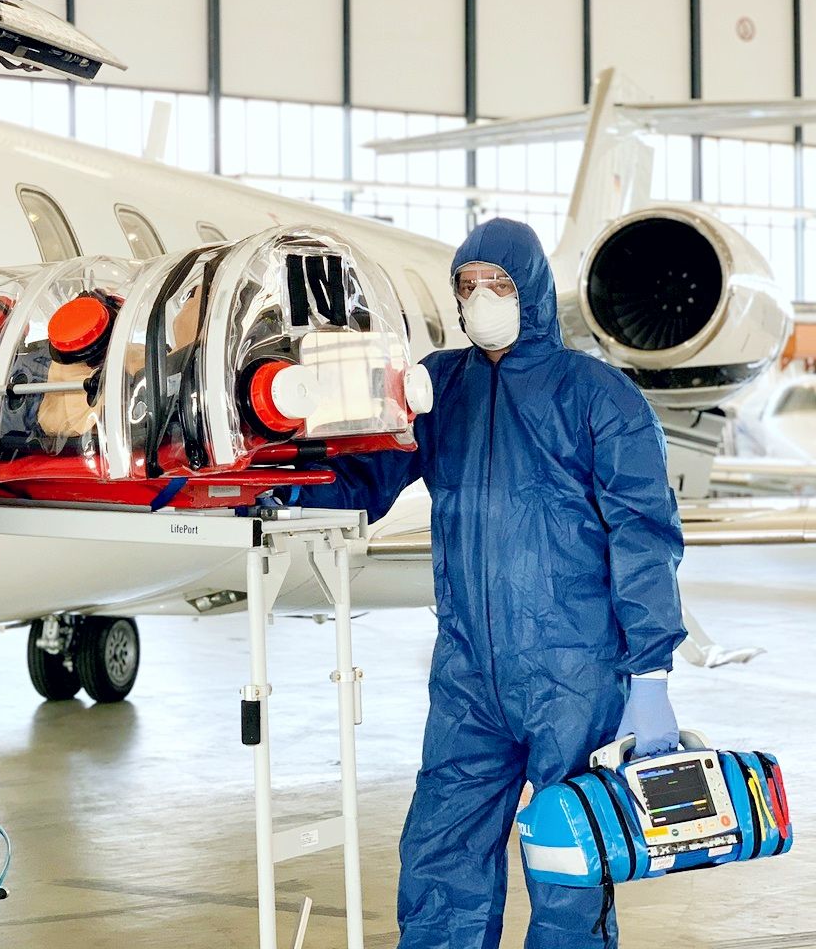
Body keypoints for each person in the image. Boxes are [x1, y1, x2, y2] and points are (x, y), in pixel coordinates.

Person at [285, 218, 686, 948]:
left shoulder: (596, 397)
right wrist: (289, 483)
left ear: (531, 290)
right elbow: (369, 479)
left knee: (568, 859)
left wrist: (650, 672)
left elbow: (644, 536)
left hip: (574, 672)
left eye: (497, 285)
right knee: (442, 851)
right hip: (468, 672)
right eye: (466, 286)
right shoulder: (443, 387)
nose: (480, 300)